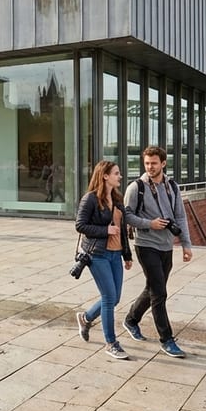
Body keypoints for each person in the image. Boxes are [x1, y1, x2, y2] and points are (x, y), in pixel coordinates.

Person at [122, 145, 193, 358]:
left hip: (166, 246)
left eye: (154, 163)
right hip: (146, 245)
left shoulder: (172, 186)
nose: (150, 167)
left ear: (163, 163)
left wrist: (186, 245)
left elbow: (180, 216)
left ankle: (131, 320)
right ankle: (167, 339)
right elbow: (126, 215)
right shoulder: (136, 187)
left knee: (152, 289)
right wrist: (149, 223)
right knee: (160, 293)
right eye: (146, 163)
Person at [74, 161, 134, 360]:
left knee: (115, 298)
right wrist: (105, 230)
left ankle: (85, 318)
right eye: (117, 173)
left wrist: (127, 255)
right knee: (109, 297)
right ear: (105, 176)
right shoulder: (90, 199)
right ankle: (111, 343)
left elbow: (123, 230)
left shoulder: (117, 198)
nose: (120, 176)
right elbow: (80, 225)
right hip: (97, 254)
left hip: (115, 254)